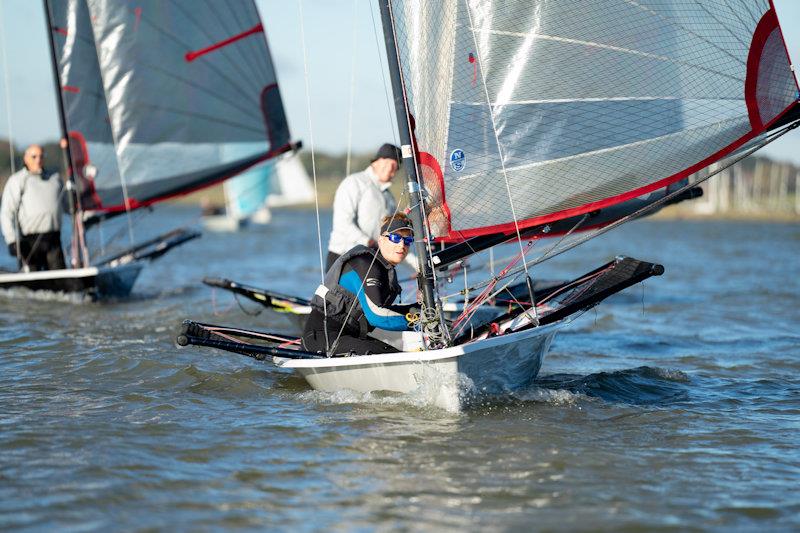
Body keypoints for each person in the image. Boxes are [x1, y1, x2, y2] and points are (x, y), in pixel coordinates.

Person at [303, 213, 420, 356]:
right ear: (381, 240)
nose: (402, 245)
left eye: (407, 240)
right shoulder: (365, 264)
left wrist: (420, 311)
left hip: (349, 337)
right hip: (322, 338)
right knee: (396, 356)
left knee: (396, 353)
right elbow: (376, 316)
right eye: (395, 238)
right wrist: (418, 324)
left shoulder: (385, 269)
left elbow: (386, 309)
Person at [326, 143, 402, 271]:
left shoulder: (389, 198)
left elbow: (395, 236)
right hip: (344, 258)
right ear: (376, 162)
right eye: (391, 164)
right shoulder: (354, 182)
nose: (392, 171)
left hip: (372, 259)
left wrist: (418, 266)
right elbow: (342, 223)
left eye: (396, 167)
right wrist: (369, 243)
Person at [0, 144, 66, 271]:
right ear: (26, 158)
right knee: (33, 274)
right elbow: (6, 213)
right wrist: (12, 240)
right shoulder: (17, 180)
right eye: (34, 157)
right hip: (30, 243)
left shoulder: (55, 179)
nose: (38, 160)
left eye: (41, 156)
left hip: (54, 240)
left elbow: (67, 205)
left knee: (59, 273)